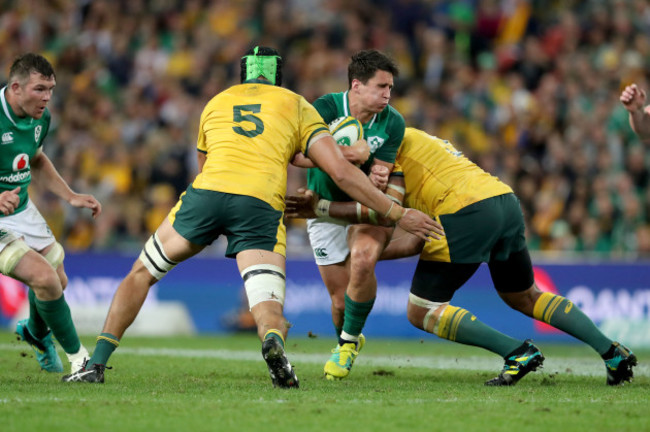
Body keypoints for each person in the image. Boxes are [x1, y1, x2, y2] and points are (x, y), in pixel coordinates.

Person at [62, 46, 439, 387]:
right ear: (278, 77)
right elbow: (339, 173)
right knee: (268, 305)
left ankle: (95, 364)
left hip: (207, 195)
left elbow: (202, 164)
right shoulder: (296, 104)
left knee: (141, 273)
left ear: (244, 76)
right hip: (258, 203)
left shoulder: (216, 101)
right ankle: (273, 343)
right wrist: (396, 212)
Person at [286, 127, 638, 386]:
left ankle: (517, 352)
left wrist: (322, 207)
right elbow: (411, 244)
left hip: (464, 212)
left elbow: (384, 210)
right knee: (525, 296)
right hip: (503, 202)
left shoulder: (384, 151)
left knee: (421, 310)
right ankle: (612, 353)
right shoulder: (413, 138)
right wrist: (365, 257)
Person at [295, 49, 407, 380]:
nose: (387, 94)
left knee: (362, 261)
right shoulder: (324, 108)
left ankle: (344, 348)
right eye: (381, 86)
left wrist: (379, 175)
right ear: (357, 85)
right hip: (323, 208)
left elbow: (383, 170)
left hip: (362, 209)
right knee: (340, 302)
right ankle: (347, 337)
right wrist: (346, 154)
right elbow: (297, 155)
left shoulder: (393, 122)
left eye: (390, 88)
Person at [0, 53, 102, 373]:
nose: (46, 97)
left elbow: (37, 159)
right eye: (39, 89)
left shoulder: (41, 117)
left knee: (58, 278)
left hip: (20, 207)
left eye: (51, 89)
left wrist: (70, 196)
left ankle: (35, 333)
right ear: (15, 87)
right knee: (44, 278)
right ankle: (80, 361)